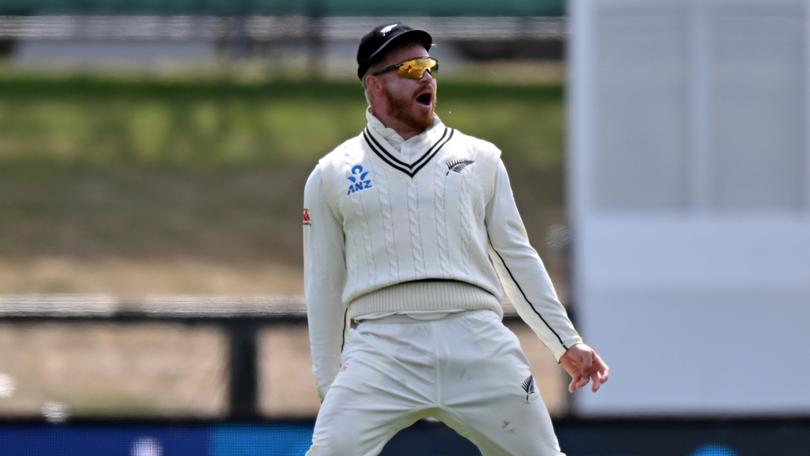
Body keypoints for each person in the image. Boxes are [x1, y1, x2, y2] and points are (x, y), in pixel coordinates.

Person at [302, 23, 609, 456]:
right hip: (382, 344)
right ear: (374, 85)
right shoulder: (332, 173)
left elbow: (515, 257)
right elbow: (324, 285)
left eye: (429, 65)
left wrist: (565, 342)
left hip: (477, 337)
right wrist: (329, 383)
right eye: (410, 68)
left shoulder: (480, 158)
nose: (425, 76)